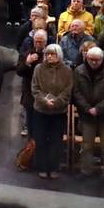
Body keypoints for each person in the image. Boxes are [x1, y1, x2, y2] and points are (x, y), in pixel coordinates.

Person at [72, 46, 104, 182]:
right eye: (91, 59)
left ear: (102, 59)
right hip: (87, 115)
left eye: (97, 60)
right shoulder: (79, 71)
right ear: (86, 58)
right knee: (86, 146)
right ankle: (86, 170)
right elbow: (76, 92)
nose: (94, 62)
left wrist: (98, 108)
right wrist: (87, 108)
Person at [31, 43, 73, 179]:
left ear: (59, 55)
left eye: (52, 54)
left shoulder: (67, 71)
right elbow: (35, 88)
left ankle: (54, 167)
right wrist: (44, 101)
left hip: (58, 112)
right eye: (47, 54)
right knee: (41, 139)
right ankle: (42, 167)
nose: (49, 56)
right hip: (41, 111)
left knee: (56, 141)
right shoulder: (38, 68)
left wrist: (57, 102)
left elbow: (68, 90)